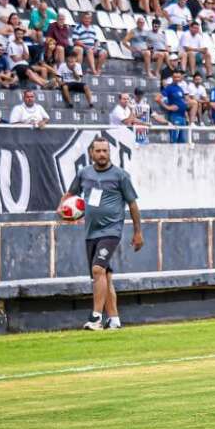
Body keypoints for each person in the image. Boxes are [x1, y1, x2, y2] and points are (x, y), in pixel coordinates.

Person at [57, 136, 143, 331]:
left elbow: (133, 204)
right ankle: (114, 319)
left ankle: (95, 318)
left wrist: (138, 232)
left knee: (97, 269)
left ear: (109, 152)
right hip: (91, 232)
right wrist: (61, 208)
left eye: (105, 151)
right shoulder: (84, 174)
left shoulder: (120, 175)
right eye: (98, 151)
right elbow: (70, 194)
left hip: (112, 230)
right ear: (91, 153)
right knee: (105, 276)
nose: (102, 154)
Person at [157, 70, 190, 144]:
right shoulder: (169, 88)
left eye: (178, 77)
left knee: (182, 140)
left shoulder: (180, 88)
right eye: (175, 77)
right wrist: (167, 107)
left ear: (181, 77)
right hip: (174, 116)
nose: (177, 79)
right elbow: (157, 98)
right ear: (172, 77)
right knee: (174, 139)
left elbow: (182, 102)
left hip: (182, 117)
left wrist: (186, 115)